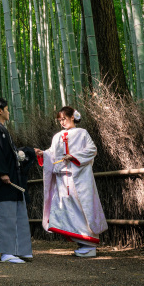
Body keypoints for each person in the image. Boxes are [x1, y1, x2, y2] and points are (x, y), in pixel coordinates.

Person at [41, 106, 107, 257]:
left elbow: (92, 150)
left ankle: (90, 244)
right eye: (60, 120)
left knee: (83, 208)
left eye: (64, 119)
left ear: (72, 117)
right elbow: (52, 154)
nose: (62, 122)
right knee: (68, 210)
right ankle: (81, 242)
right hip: (63, 179)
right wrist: (43, 154)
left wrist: (74, 156)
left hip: (80, 178)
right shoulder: (57, 137)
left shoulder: (82, 133)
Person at [0, 97, 42, 264]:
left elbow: (14, 154)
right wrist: (2, 173)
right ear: (0, 110)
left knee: (16, 214)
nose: (9, 112)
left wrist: (31, 151)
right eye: (7, 109)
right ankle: (7, 252)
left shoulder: (2, 130)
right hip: (3, 181)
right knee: (5, 215)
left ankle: (19, 250)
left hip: (12, 180)